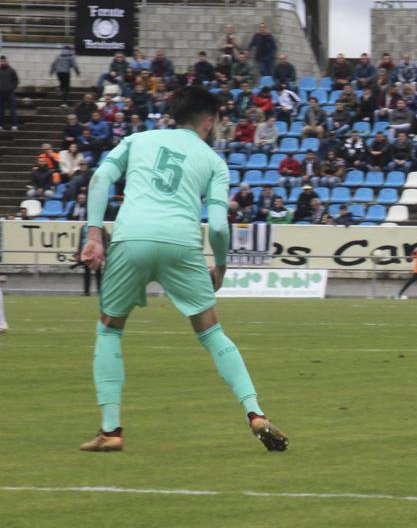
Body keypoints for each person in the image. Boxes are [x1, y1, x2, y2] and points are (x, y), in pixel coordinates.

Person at [77, 85, 288, 453]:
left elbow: (99, 179)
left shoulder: (139, 139)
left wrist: (95, 234)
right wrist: (219, 266)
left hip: (132, 238)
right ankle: (255, 412)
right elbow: (220, 227)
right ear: (208, 123)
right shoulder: (213, 161)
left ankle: (111, 431)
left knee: (110, 330)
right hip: (182, 242)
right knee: (212, 333)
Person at [0, 56, 19, 130]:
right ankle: (1, 125)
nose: (3, 62)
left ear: (6, 61)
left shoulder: (11, 70)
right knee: (1, 110)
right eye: (1, 61)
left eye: (4, 61)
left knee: (12, 109)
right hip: (1, 94)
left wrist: (11, 88)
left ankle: (14, 125)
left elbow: (16, 81)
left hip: (10, 93)